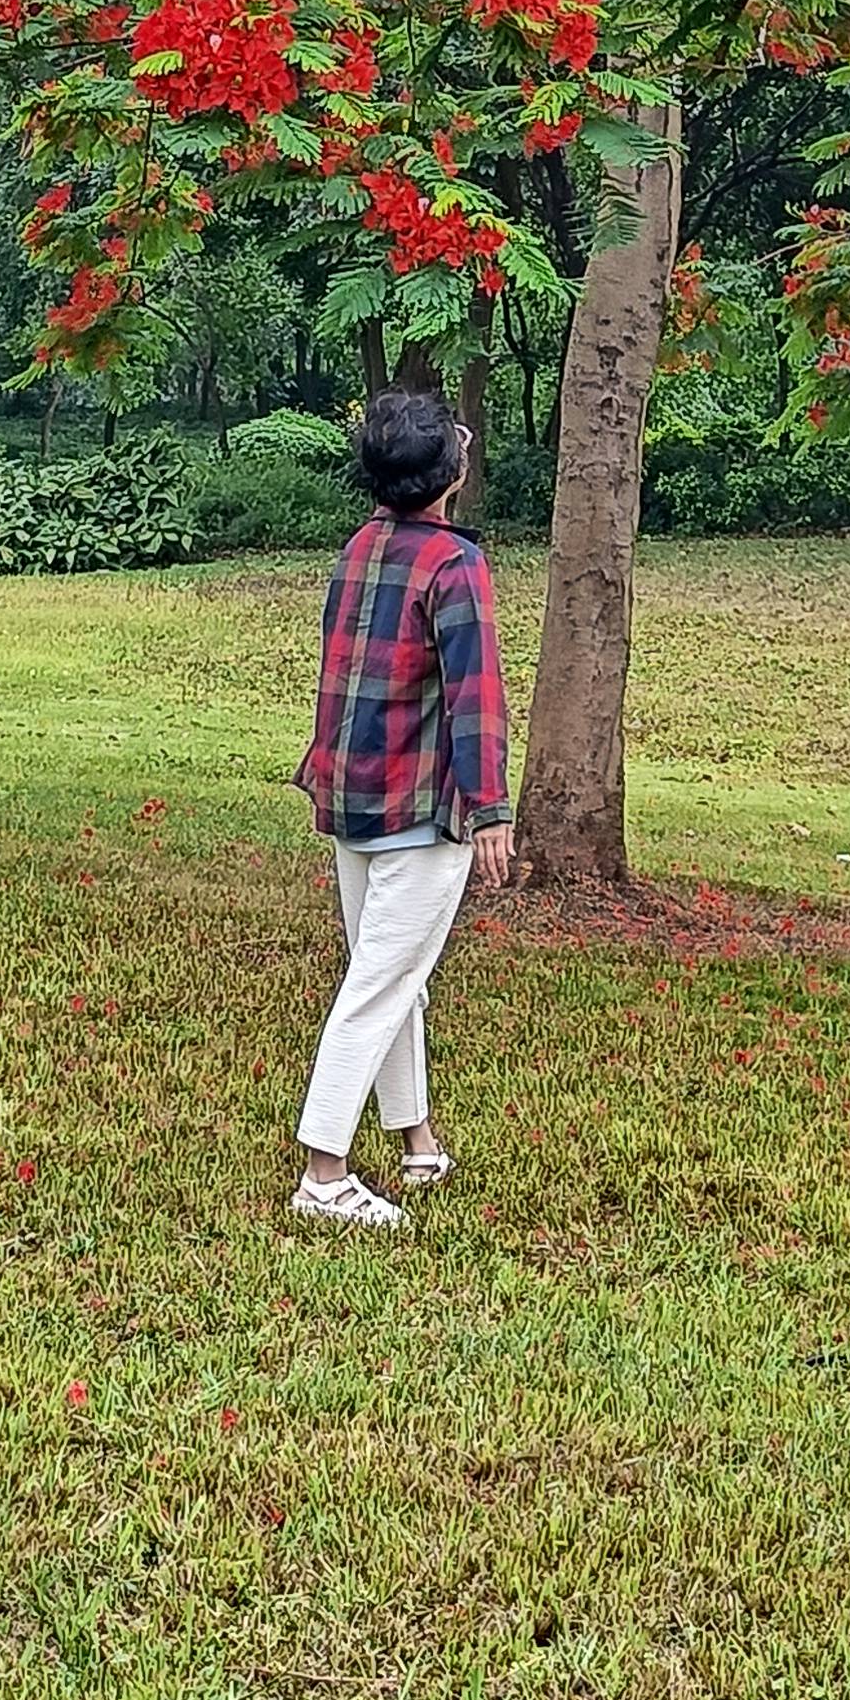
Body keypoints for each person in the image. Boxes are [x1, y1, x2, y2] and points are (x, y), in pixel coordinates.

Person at [287, 387, 513, 1231]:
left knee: (395, 977)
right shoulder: (454, 564)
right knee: (380, 984)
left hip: (351, 796)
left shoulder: (360, 547)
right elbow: (477, 696)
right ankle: (324, 1175)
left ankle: (418, 1142)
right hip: (420, 807)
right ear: (449, 473)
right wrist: (490, 811)